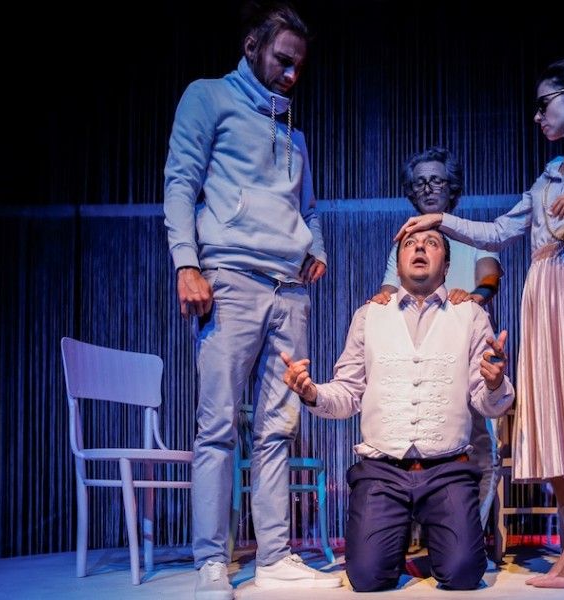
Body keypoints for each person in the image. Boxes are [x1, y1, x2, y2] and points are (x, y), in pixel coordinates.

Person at [395, 55, 564, 589]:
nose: (537, 116)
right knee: (554, 415)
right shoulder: (547, 176)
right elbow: (498, 232)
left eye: (543, 104)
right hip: (543, 290)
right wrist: (440, 220)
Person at [163, 2, 342, 597]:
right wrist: (187, 263)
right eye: (282, 61)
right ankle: (211, 560)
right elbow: (181, 182)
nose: (291, 74)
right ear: (252, 47)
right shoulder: (208, 97)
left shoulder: (295, 134)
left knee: (277, 428)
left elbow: (308, 209)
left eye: (299, 67)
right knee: (217, 426)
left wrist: (316, 246)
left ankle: (274, 556)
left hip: (289, 290)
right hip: (231, 279)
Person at [281, 229, 515, 592]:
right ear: (398, 262)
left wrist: (496, 382)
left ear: (446, 265)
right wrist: (312, 393)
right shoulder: (369, 315)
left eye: (431, 243)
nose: (419, 247)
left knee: (464, 573)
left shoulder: (470, 314)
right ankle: (393, 544)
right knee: (366, 578)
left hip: (447, 469)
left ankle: (440, 548)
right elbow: (348, 393)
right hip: (382, 470)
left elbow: (485, 401)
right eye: (409, 244)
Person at [371, 146, 503, 532]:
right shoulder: (405, 241)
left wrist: (473, 298)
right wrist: (379, 302)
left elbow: (489, 277)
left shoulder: (472, 234)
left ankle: (471, 534)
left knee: (479, 449)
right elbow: (388, 290)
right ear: (411, 192)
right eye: (420, 183)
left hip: (465, 352)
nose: (428, 189)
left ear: (452, 187)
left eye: (437, 181)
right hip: (417, 357)